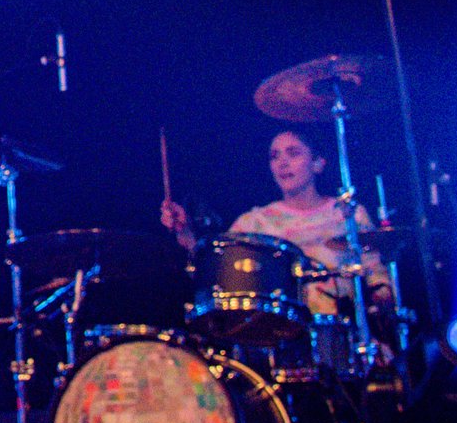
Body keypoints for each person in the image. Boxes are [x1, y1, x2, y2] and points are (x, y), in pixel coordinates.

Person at [162, 124, 392, 317]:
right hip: (279, 337)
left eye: (293, 153)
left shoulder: (348, 214)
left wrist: (381, 304)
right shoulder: (256, 222)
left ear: (318, 163)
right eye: (275, 156)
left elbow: (378, 276)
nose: (282, 162)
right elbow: (217, 266)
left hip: (344, 331)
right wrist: (185, 232)